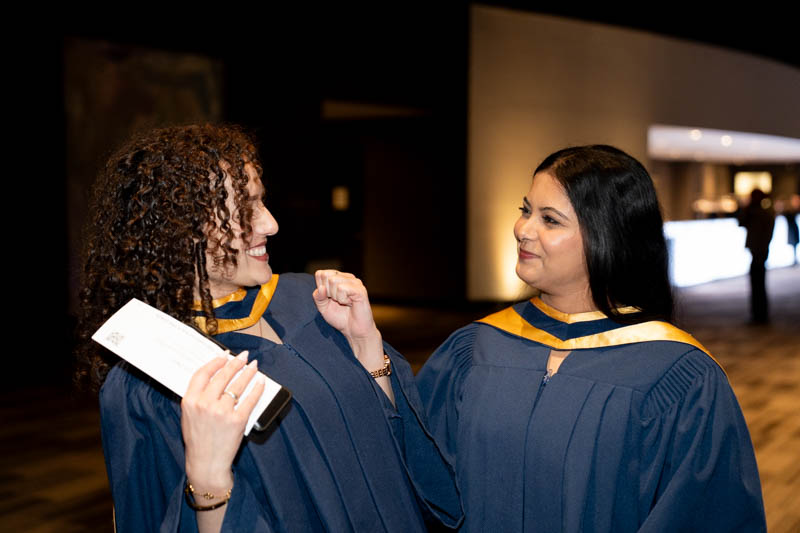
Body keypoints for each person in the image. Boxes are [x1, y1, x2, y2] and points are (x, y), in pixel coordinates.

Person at [76, 124, 461, 533]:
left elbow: (394, 451)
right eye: (243, 210)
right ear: (180, 229)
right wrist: (209, 478)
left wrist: (367, 347)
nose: (271, 224)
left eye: (261, 201)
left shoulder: (309, 300)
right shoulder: (148, 382)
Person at [417, 145, 766, 532]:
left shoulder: (678, 376)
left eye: (550, 220)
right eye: (526, 210)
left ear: (607, 236)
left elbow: (707, 515)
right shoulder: (475, 349)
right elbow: (417, 478)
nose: (522, 229)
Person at [739, 188, 775, 323]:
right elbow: (741, 222)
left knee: (758, 284)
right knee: (757, 284)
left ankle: (760, 315)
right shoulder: (758, 212)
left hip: (760, 251)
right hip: (758, 250)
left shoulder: (763, 213)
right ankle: (758, 314)